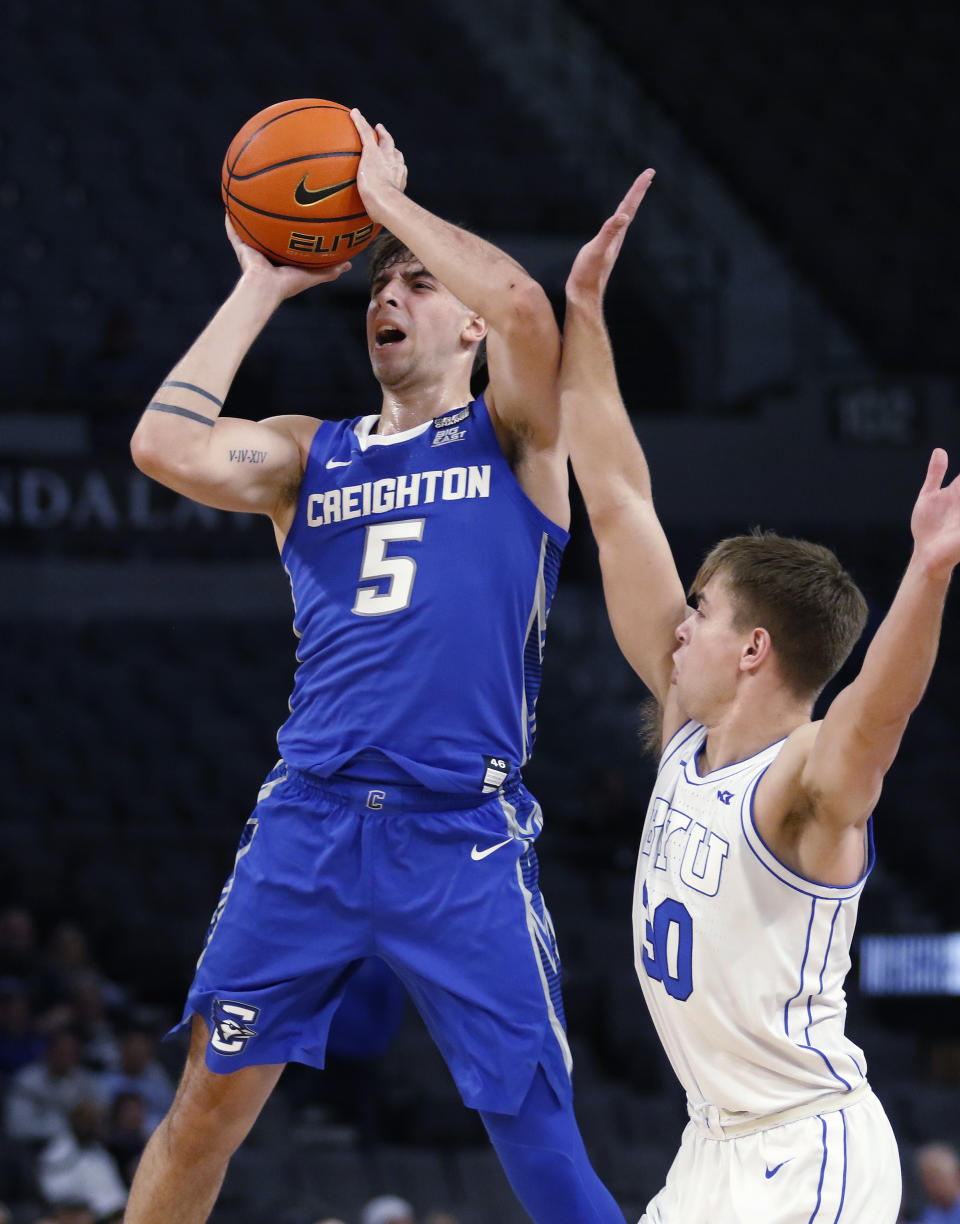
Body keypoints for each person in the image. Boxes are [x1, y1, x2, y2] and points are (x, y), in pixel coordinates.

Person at [124, 111, 622, 1224]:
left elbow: (527, 307)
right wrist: (261, 283)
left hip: (461, 837)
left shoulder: (515, 436)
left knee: (538, 1141)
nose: (390, 299)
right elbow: (163, 444)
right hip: (309, 824)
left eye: (417, 287)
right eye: (377, 288)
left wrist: (384, 203)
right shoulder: (310, 452)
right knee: (203, 1108)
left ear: (470, 331)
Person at [559, 171, 960, 1222]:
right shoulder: (687, 728)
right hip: (712, 1148)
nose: (674, 624)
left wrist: (929, 572)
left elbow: (880, 710)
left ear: (752, 646)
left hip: (808, 1146)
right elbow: (615, 498)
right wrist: (586, 318)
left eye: (700, 606)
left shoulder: (801, 789)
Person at [913, 1143, 960, 1223]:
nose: (932, 1185)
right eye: (927, 1179)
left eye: (937, 1178)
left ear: (957, 1175)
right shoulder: (927, 1215)